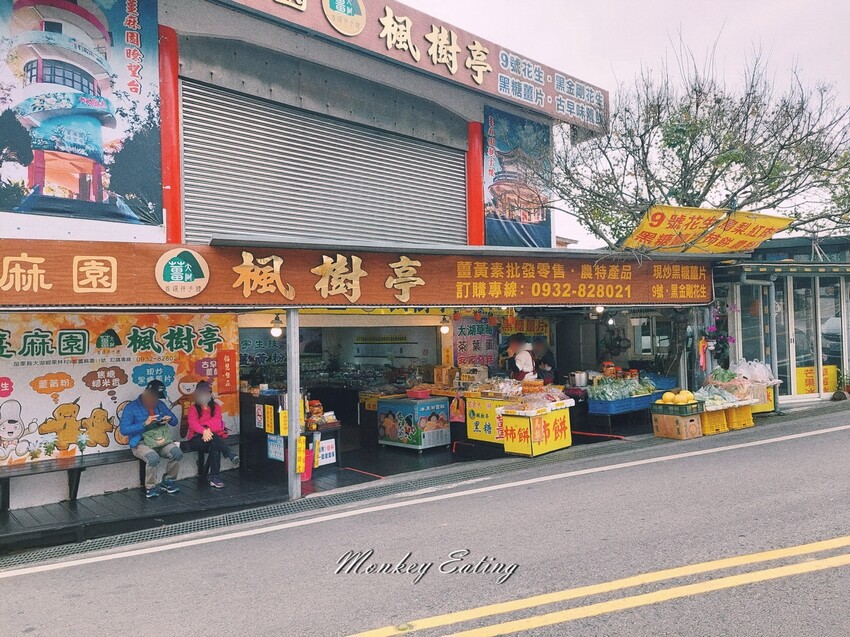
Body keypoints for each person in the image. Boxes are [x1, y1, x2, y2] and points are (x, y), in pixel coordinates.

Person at [119, 380, 182, 498]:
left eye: (158, 397)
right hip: (140, 442)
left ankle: (168, 481)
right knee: (153, 457)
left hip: (161, 441)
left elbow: (175, 422)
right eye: (153, 397)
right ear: (146, 393)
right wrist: (144, 423)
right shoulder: (131, 407)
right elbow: (124, 430)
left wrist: (168, 419)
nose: (155, 400)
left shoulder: (160, 405)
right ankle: (151, 487)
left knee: (177, 452)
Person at [185, 381, 239, 488]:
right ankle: (228, 455)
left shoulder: (216, 407)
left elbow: (217, 424)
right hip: (196, 439)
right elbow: (193, 424)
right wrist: (204, 431)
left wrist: (204, 428)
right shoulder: (193, 408)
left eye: (207, 393)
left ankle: (215, 478)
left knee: (214, 445)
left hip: (211, 438)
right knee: (215, 440)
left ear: (210, 394)